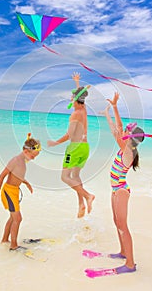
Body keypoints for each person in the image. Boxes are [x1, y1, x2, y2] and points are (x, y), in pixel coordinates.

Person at [103, 91, 145, 274]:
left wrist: (108, 114)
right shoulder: (126, 148)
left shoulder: (128, 151)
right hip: (116, 189)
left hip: (121, 191)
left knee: (123, 226)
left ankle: (130, 264)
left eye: (128, 131)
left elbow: (116, 131)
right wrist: (113, 107)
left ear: (131, 137)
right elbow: (119, 128)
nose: (124, 131)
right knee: (116, 221)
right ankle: (122, 252)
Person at [47, 72, 95, 218]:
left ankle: (87, 196)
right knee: (75, 175)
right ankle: (81, 204)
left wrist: (54, 143)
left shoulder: (75, 115)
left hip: (74, 148)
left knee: (64, 176)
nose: (70, 98)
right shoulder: (83, 110)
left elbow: (69, 135)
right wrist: (77, 82)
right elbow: (81, 95)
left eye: (71, 96)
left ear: (74, 98)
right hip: (85, 148)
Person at [0, 133, 41, 251]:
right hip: (8, 192)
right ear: (27, 152)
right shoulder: (15, 160)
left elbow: (18, 174)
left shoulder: (23, 160)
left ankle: (4, 240)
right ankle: (13, 245)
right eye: (33, 156)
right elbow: (1, 176)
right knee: (18, 218)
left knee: (13, 218)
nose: (34, 158)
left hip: (14, 192)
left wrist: (26, 182)